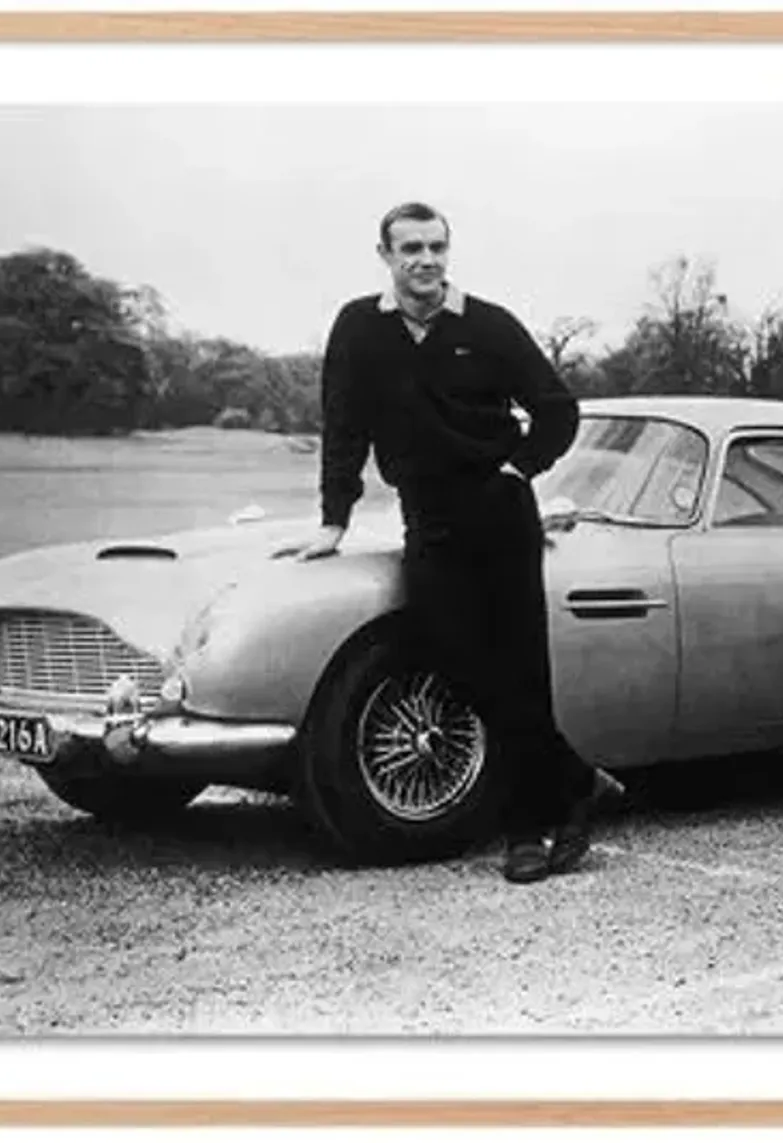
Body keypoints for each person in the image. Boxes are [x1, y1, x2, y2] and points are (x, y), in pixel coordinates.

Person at [297, 201, 622, 884]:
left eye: (437, 247)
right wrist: (335, 520)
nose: (426, 261)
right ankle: (576, 779)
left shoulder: (489, 324)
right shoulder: (360, 328)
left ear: (450, 251)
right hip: (430, 517)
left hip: (500, 512)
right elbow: (344, 426)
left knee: (522, 671)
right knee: (455, 657)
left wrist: (518, 467)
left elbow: (558, 410)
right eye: (410, 248)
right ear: (384, 254)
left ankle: (526, 831)